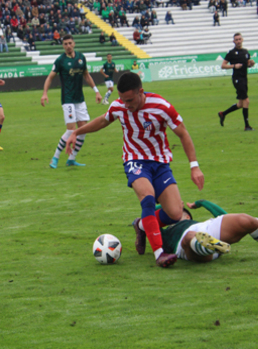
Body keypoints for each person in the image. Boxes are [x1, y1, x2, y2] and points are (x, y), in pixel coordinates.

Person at [65, 72, 204, 268]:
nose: (126, 104)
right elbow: (103, 120)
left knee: (174, 213)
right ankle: (159, 254)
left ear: (141, 91)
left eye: (130, 100)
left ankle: (141, 225)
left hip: (160, 163)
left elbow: (183, 134)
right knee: (147, 198)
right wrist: (76, 132)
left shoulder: (161, 107)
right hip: (134, 161)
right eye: (122, 99)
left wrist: (194, 166)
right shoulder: (119, 106)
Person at [132, 199, 258, 262]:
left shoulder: (198, 222)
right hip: (183, 245)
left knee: (245, 220)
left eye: (183, 214)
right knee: (190, 237)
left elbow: (222, 215)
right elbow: (148, 222)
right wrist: (167, 205)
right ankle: (209, 247)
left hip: (207, 228)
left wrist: (201, 202)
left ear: (189, 217)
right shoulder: (166, 232)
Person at [40, 34, 102, 169]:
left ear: (73, 43)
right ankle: (55, 158)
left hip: (80, 99)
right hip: (67, 99)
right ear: (63, 46)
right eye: (65, 44)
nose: (68, 46)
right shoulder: (60, 61)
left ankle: (71, 159)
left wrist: (96, 91)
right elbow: (50, 77)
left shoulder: (81, 58)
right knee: (71, 130)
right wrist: (45, 93)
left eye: (70, 43)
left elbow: (86, 75)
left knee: (83, 129)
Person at [218, 33, 256, 131]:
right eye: (236, 40)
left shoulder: (246, 52)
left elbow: (247, 64)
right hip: (237, 79)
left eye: (239, 39)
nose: (238, 41)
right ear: (233, 41)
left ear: (242, 40)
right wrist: (234, 66)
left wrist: (251, 64)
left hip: (244, 78)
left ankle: (223, 114)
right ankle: (247, 126)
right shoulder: (231, 53)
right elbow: (223, 65)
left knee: (240, 104)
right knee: (246, 101)